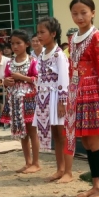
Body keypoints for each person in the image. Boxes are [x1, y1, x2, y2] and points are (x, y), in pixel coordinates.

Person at [67, 0, 99, 197]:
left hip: (94, 92)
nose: (79, 17)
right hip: (78, 91)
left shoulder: (96, 37)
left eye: (83, 12)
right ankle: (95, 185)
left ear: (93, 13)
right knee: (86, 141)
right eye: (75, 13)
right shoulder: (74, 37)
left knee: (95, 140)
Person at [35, 17, 72, 183]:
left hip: (57, 97)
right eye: (38, 32)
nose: (39, 36)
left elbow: (63, 79)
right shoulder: (42, 54)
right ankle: (60, 168)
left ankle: (67, 171)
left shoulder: (59, 55)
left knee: (62, 133)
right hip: (45, 97)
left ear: (53, 33)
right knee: (56, 135)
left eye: (42, 32)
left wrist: (62, 102)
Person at [1, 29, 39, 174]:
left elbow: (37, 80)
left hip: (29, 99)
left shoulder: (32, 61)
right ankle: (28, 162)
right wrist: (6, 82)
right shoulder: (9, 63)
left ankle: (36, 162)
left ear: (27, 44)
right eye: (12, 43)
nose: (15, 46)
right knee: (22, 132)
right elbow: (5, 80)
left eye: (18, 43)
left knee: (32, 131)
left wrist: (22, 77)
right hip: (15, 100)